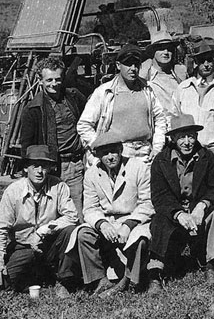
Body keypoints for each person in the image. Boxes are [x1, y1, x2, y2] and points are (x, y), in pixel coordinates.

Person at [147, 114, 214, 294]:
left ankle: (212, 266)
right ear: (173, 139)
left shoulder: (206, 157)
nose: (187, 142)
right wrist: (178, 213)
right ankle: (155, 274)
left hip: (199, 212)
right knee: (159, 220)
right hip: (175, 214)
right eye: (181, 137)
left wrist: (202, 205)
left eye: (191, 136)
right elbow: (159, 197)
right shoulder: (161, 161)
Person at [76, 131, 154, 296]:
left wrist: (128, 225)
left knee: (140, 240)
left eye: (113, 151)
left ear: (121, 150)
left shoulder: (139, 167)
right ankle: (99, 280)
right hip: (107, 222)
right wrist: (102, 224)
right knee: (84, 234)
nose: (110, 157)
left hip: (133, 221)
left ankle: (131, 281)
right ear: (98, 156)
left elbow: (147, 203)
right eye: (105, 153)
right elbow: (90, 208)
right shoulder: (91, 174)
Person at [0, 145, 79, 296]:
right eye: (35, 166)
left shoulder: (59, 186)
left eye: (44, 166)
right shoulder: (13, 191)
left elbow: (72, 216)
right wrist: (0, 262)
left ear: (49, 168)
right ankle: (36, 277)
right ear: (25, 168)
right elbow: (1, 229)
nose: (39, 171)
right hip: (23, 246)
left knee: (70, 231)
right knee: (7, 282)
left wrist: (43, 231)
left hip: (50, 245)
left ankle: (63, 281)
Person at [77, 43, 168, 165]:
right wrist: (100, 147)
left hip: (145, 154)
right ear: (118, 65)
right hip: (117, 155)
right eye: (128, 64)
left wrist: (157, 148)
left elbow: (160, 119)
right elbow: (84, 125)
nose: (133, 68)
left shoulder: (148, 89)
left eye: (136, 64)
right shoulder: (105, 92)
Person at [20, 57, 87, 220]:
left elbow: (88, 120)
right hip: (49, 168)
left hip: (74, 165)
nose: (54, 84)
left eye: (58, 79)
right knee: (49, 215)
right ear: (40, 80)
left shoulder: (73, 97)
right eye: (49, 80)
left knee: (77, 214)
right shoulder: (33, 109)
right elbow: (26, 145)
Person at [172, 38, 214, 194]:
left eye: (211, 59)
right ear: (196, 62)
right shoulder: (183, 88)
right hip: (190, 151)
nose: (207, 64)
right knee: (191, 191)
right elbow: (175, 115)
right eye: (202, 60)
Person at [140, 31, 187, 121]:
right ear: (153, 52)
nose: (166, 52)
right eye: (161, 49)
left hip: (178, 126)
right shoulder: (144, 76)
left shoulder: (179, 74)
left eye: (169, 49)